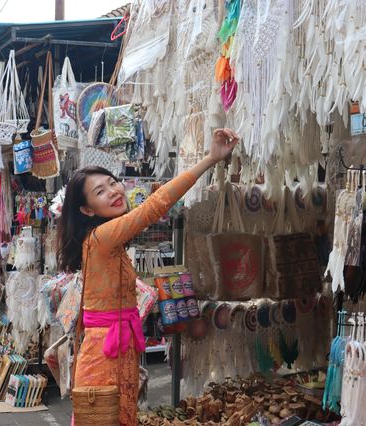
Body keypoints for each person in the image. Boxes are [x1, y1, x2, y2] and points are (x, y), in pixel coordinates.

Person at [57, 128, 239, 424]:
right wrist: (211, 159)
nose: (114, 191)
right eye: (100, 191)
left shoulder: (105, 238)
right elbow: (155, 207)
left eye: (112, 183)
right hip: (106, 352)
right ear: (86, 210)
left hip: (116, 346)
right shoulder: (102, 236)